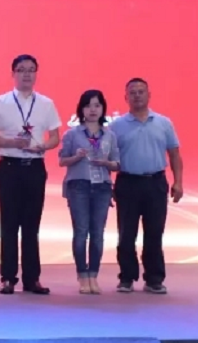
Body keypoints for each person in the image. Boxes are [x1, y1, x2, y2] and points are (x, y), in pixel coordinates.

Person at [0, 54, 61, 295]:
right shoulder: (1, 102)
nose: (26, 74)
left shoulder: (46, 103)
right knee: (9, 223)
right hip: (9, 168)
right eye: (21, 69)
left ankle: (32, 279)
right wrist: (11, 142)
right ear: (13, 74)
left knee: (31, 225)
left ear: (36, 73)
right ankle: (8, 278)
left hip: (35, 167)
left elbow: (55, 137)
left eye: (31, 69)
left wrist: (44, 146)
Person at [111, 78, 183, 295]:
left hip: (155, 183)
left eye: (141, 91)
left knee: (154, 233)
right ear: (126, 97)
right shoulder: (116, 126)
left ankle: (154, 279)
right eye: (132, 92)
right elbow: (109, 158)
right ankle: (126, 277)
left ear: (149, 95)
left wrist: (178, 182)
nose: (137, 96)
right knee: (126, 234)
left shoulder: (163, 123)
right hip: (127, 183)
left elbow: (174, 154)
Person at [58, 89, 120, 295]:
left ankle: (94, 275)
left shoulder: (109, 135)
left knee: (98, 233)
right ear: (81, 109)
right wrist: (76, 157)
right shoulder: (72, 134)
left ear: (102, 109)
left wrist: (106, 163)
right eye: (88, 105)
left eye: (97, 105)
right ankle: (82, 275)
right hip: (79, 186)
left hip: (102, 187)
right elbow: (62, 161)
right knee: (81, 231)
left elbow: (117, 164)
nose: (92, 110)